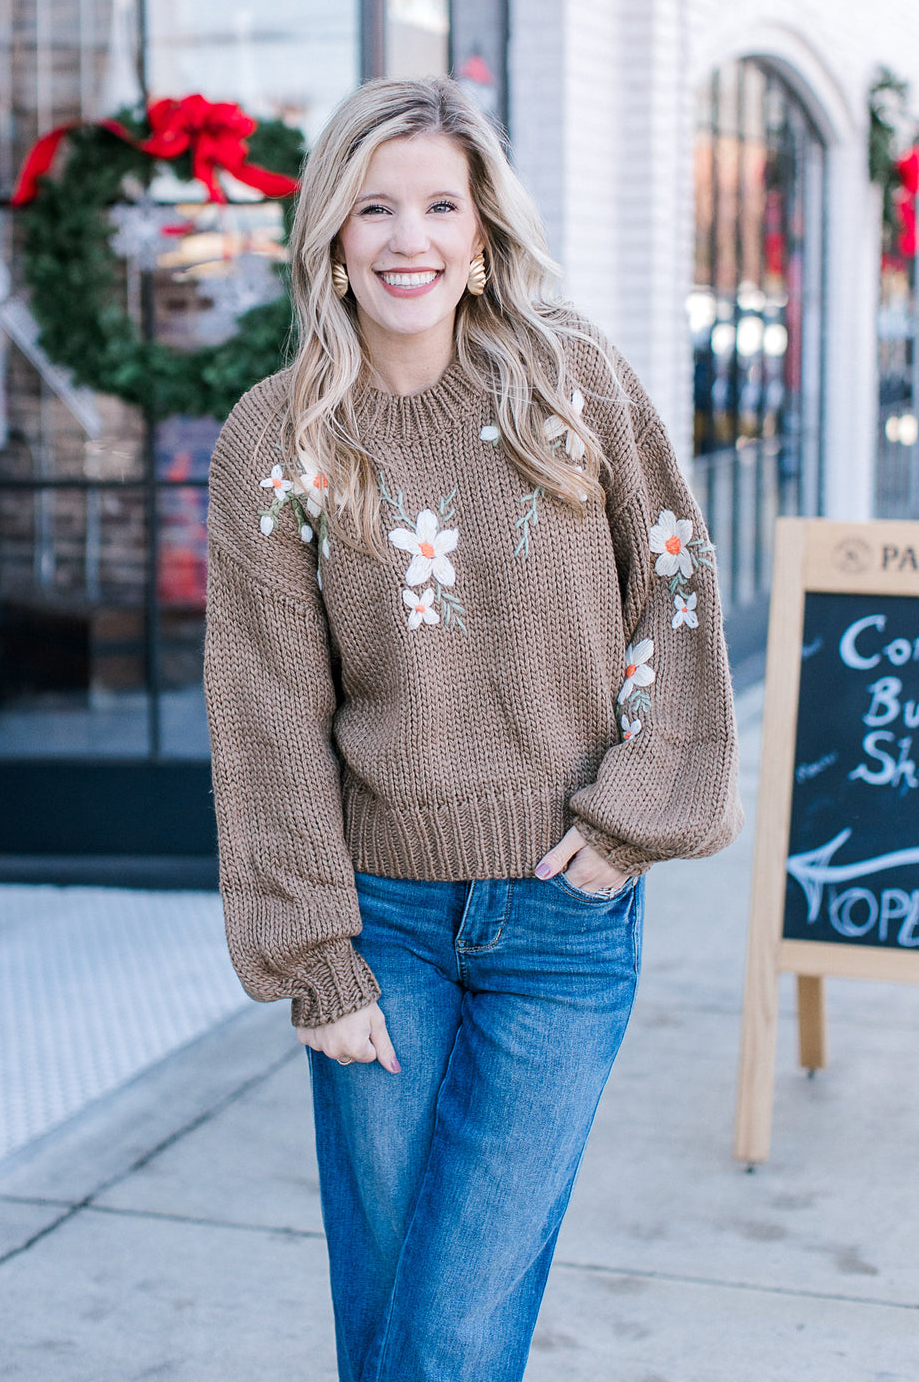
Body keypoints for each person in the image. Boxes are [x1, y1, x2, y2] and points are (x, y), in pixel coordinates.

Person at [203, 75, 742, 1382]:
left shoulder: (573, 385)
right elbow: (267, 714)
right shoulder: (279, 438)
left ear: (484, 232)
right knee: (395, 1316)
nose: (411, 239)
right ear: (332, 235)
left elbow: (675, 586)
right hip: (380, 923)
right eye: (375, 207)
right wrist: (314, 954)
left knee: (449, 1327)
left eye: (441, 206)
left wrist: (635, 817)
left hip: (564, 919)